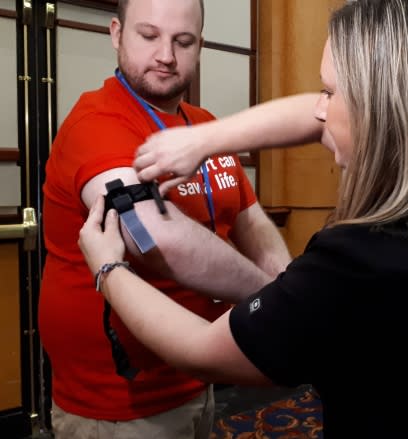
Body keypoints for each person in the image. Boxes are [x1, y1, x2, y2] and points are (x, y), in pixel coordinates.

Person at [79, 0, 408, 437]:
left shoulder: (361, 258)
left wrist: (107, 267)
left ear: (378, 110)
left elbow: (200, 346)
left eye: (329, 92)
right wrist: (205, 141)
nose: (317, 111)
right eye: (149, 36)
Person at [38, 0, 291, 437]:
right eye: (149, 36)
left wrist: (290, 289)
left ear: (200, 46)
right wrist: (276, 297)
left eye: (183, 41)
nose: (166, 55)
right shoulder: (96, 122)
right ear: (117, 34)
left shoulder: (202, 126)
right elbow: (154, 238)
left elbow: (251, 221)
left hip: (197, 371)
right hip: (118, 401)